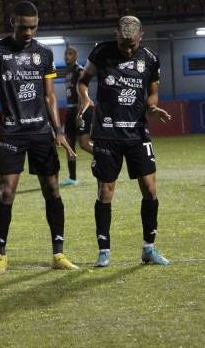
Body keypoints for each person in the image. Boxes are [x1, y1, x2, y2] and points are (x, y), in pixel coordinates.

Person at [0, 1, 79, 275]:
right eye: (24, 26)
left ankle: (58, 253)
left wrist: (58, 131)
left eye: (33, 27)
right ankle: (1, 255)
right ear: (12, 22)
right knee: (6, 192)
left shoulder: (44, 53)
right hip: (12, 131)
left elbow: (49, 94)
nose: (29, 32)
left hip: (40, 133)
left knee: (52, 191)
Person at [77, 16, 171, 268]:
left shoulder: (150, 59)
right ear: (116, 35)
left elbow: (152, 93)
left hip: (137, 133)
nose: (128, 49)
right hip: (107, 134)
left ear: (141, 37)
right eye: (123, 43)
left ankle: (149, 248)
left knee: (150, 189)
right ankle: (104, 251)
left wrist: (153, 108)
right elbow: (83, 80)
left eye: (132, 45)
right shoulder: (101, 51)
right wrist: (85, 97)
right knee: (105, 191)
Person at [60, 46, 93, 186]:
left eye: (70, 54)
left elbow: (82, 94)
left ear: (75, 56)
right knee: (69, 143)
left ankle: (105, 157)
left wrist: (80, 114)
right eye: (66, 54)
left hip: (82, 110)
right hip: (70, 110)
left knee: (84, 144)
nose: (67, 56)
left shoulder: (79, 70)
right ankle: (72, 178)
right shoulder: (67, 72)